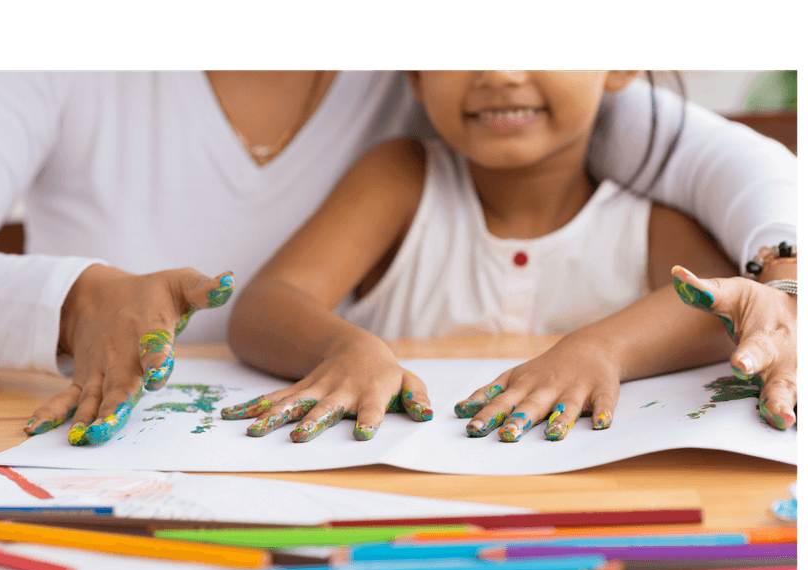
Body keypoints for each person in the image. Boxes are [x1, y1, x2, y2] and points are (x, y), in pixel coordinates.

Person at [0, 71, 796, 445]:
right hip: (117, 464)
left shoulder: (461, 98)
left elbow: (734, 176)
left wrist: (785, 276)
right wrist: (75, 296)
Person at [223, 71, 797, 442]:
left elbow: (715, 310)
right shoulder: (398, 179)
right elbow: (264, 306)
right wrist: (343, 347)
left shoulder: (652, 219)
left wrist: (602, 349)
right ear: (414, 80)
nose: (499, 75)